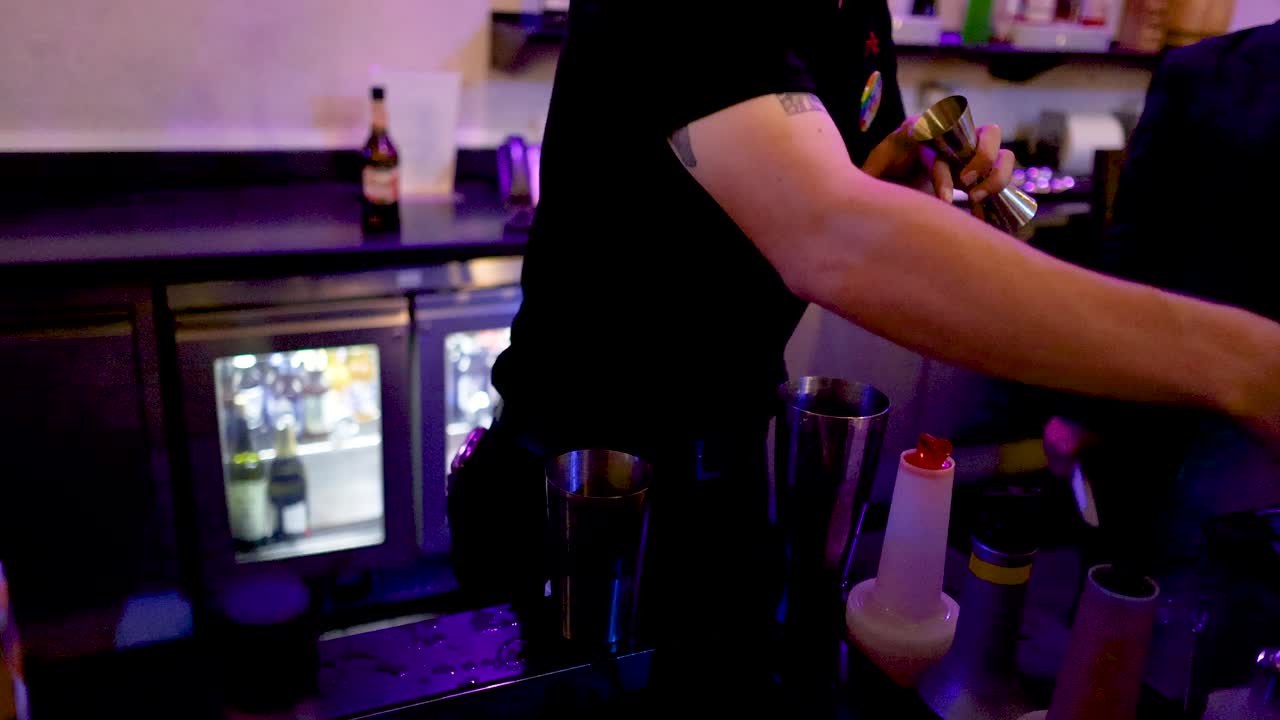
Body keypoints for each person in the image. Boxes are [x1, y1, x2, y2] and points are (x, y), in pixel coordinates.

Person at [449, 2, 1280, 706]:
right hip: (588, 501)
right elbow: (832, 236)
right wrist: (1248, 366)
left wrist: (894, 184)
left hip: (732, 478)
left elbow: (834, 192)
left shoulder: (852, 7)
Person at [1042, 19, 1280, 706]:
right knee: (1170, 639)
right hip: (1189, 420)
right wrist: (1086, 405)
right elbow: (1135, 252)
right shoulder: (1205, 73)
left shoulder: (1201, 71)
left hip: (1213, 432)